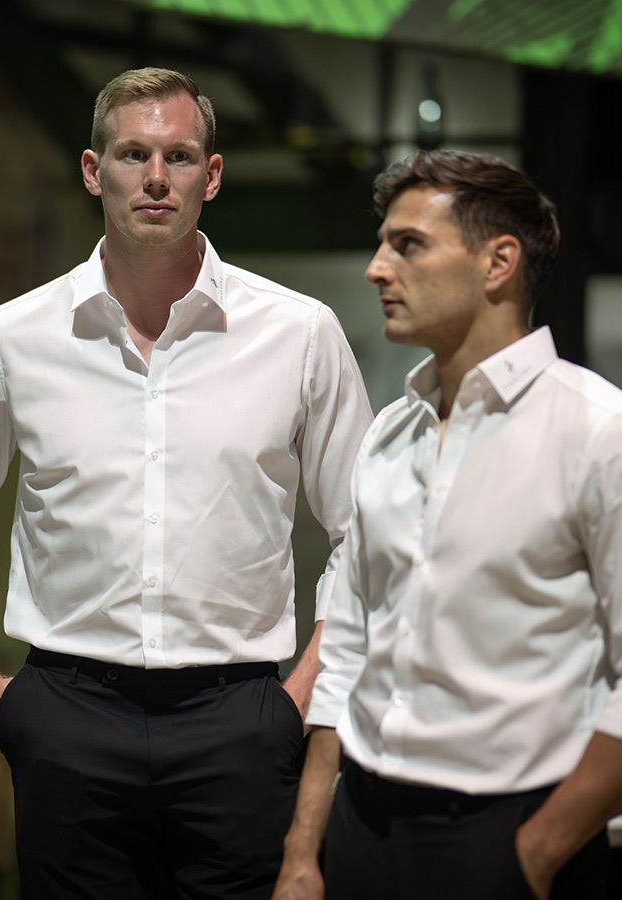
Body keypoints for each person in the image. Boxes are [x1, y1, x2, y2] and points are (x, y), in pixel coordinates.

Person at [0, 66, 372, 899]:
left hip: (241, 719)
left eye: (180, 156)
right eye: (134, 154)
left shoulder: (300, 333)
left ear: (212, 175)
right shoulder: (13, 337)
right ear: (93, 171)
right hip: (65, 714)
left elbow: (367, 531)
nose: (157, 177)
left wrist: (306, 690)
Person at [272, 149, 622, 900]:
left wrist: (535, 855)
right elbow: (348, 650)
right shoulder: (388, 433)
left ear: (499, 263)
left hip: (512, 833)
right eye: (382, 244)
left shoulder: (599, 430)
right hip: (363, 828)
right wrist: (303, 852)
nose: (377, 269)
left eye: (409, 245)